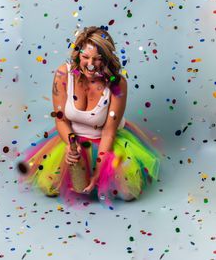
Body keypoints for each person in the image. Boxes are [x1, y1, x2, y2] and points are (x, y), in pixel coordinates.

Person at [17, 26, 162, 208]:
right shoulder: (63, 74)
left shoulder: (118, 84)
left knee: (126, 193)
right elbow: (61, 119)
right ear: (78, 55)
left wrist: (99, 173)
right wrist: (71, 145)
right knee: (49, 187)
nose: (90, 64)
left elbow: (109, 131)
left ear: (107, 59)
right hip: (72, 137)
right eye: (85, 57)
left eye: (97, 59)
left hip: (105, 140)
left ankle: (99, 173)